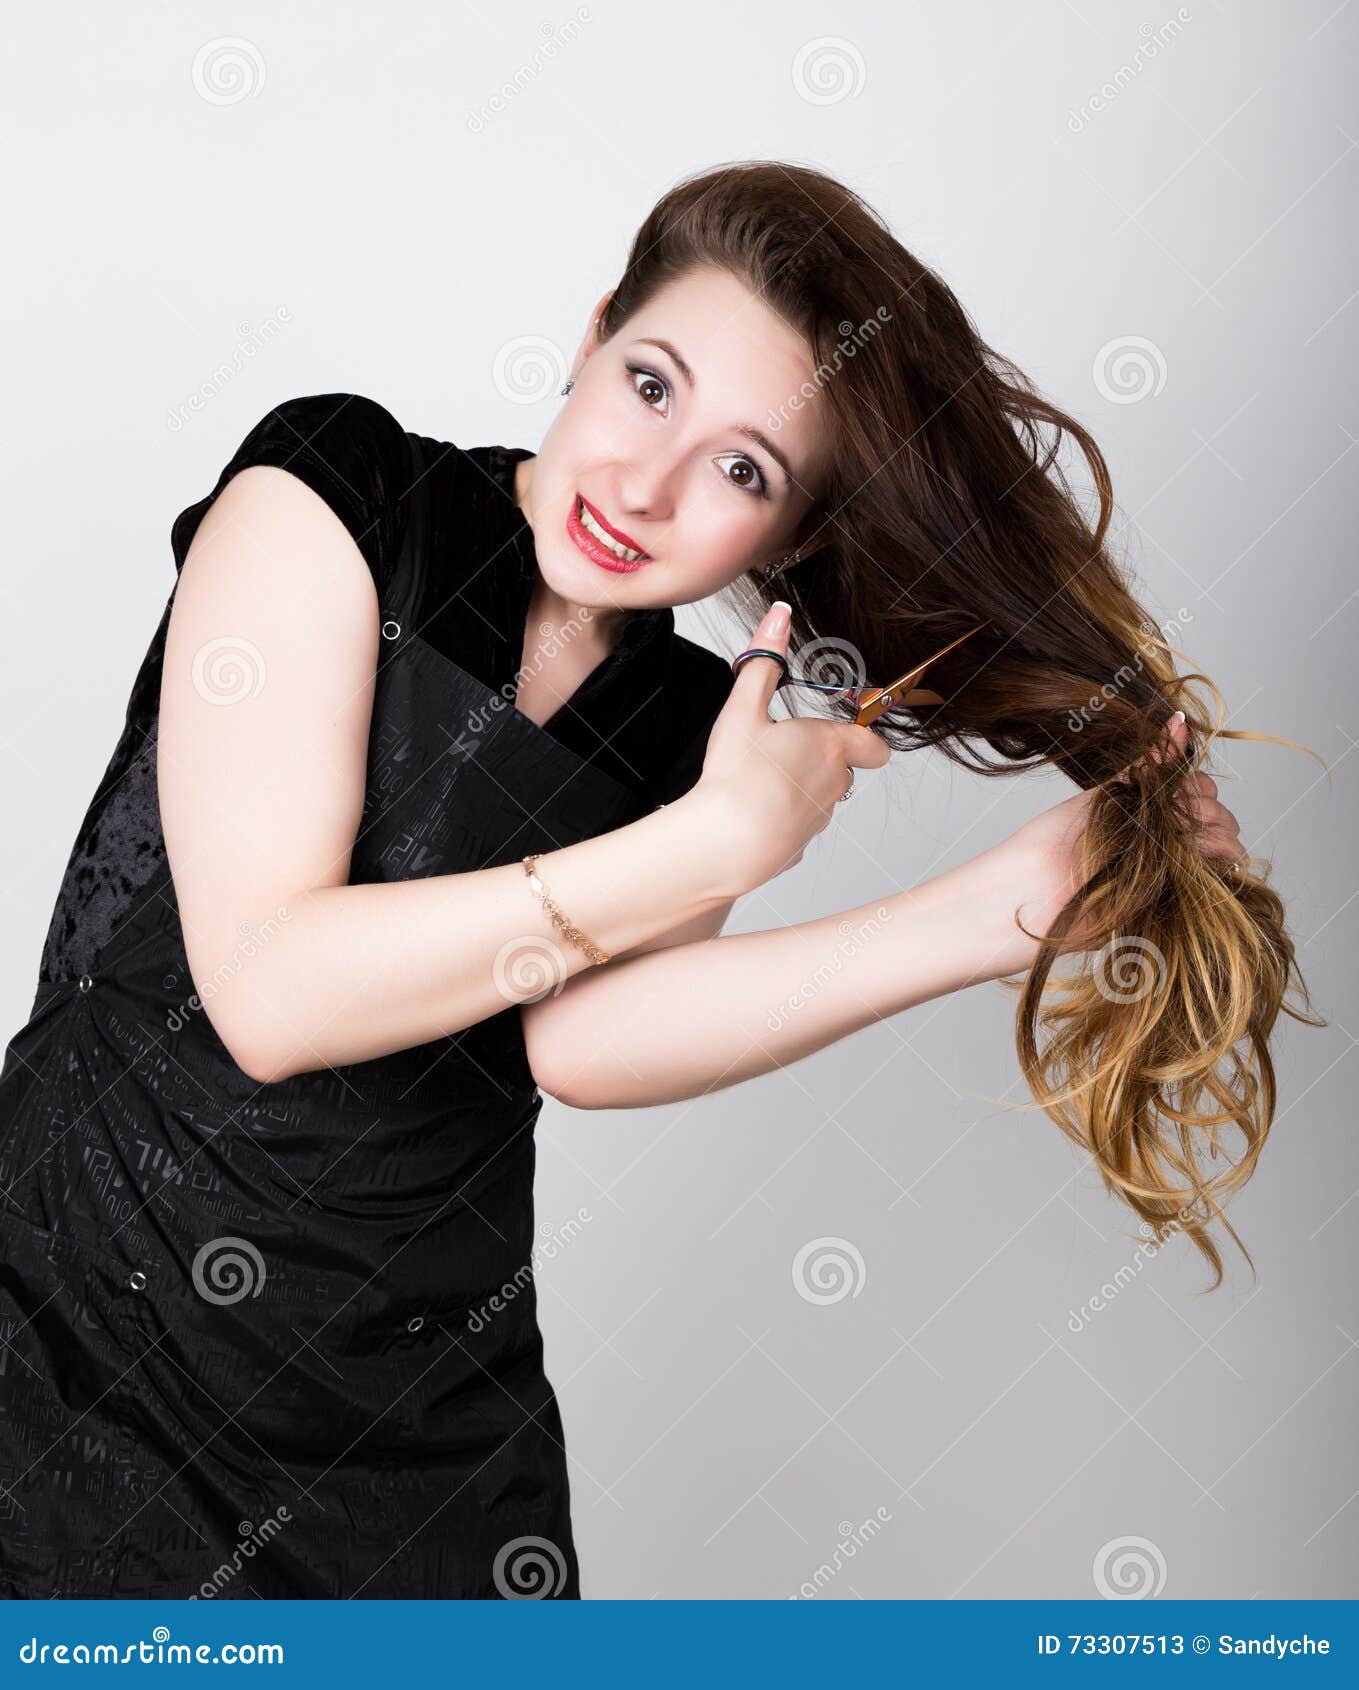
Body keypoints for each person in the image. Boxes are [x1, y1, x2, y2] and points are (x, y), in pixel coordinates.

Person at [0, 158, 1306, 1600]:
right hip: (76, 1331)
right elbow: (267, 987)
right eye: (650, 385)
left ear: (789, 535)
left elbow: (581, 1043)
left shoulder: (693, 725)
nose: (648, 482)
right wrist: (717, 841)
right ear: (592, 332)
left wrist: (997, 912)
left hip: (404, 1421)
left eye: (744, 468)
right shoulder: (338, 490)